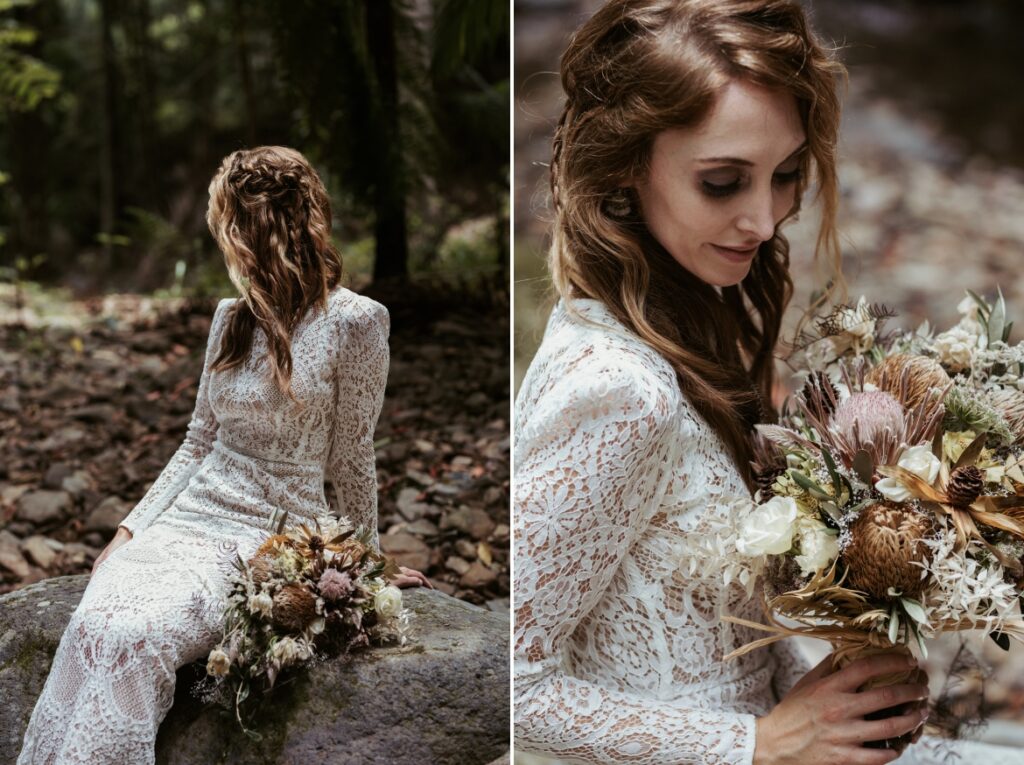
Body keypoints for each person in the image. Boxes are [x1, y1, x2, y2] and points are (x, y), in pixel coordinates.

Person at [513, 2, 1021, 764]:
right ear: (622, 167)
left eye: (785, 174)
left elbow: (715, 624)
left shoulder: (682, 320)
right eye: (722, 182)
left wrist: (840, 685)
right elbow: (515, 687)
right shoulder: (617, 391)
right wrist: (759, 742)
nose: (764, 218)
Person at [17, 145, 431, 764]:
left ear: (248, 227)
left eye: (227, 226)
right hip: (188, 517)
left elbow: (351, 457)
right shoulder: (229, 319)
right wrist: (131, 529)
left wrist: (363, 562)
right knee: (95, 618)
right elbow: (197, 442)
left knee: (137, 635)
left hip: (268, 537)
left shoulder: (357, 322)